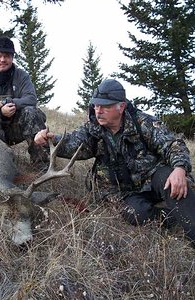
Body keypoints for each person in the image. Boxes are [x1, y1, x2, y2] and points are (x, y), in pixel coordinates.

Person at [34, 78, 195, 245]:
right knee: (135, 214)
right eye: (96, 105)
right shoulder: (92, 129)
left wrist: (179, 168)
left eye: (105, 106)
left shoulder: (143, 123)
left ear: (122, 107)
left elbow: (173, 145)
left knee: (174, 182)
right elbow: (73, 143)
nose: (99, 111)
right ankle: (173, 219)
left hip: (152, 177)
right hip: (121, 192)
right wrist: (50, 140)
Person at [0, 36, 48, 167]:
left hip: (15, 128)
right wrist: (0, 112)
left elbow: (31, 99)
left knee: (31, 112)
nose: (3, 60)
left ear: (12, 58)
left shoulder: (21, 75)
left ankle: (41, 165)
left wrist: (3, 103)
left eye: (7, 56)